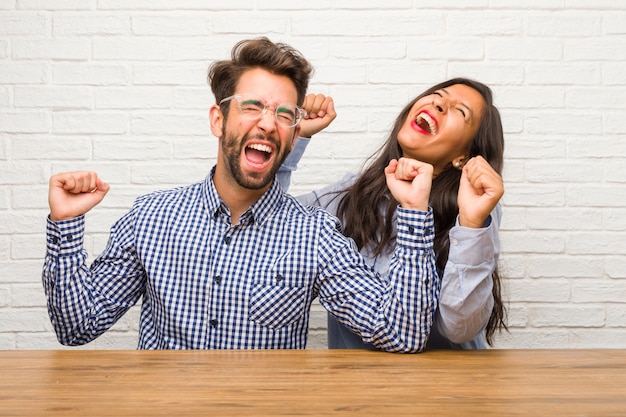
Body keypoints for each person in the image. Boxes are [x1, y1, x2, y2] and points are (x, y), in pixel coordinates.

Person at [41, 37, 440, 352]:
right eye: (253, 107)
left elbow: (400, 333)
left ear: (294, 133)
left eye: (285, 114)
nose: (269, 123)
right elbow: (77, 327)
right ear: (219, 120)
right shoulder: (150, 218)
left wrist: (414, 212)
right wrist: (66, 226)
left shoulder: (316, 235)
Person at [284, 78, 507, 349]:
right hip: (358, 385)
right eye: (437, 95)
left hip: (448, 386)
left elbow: (459, 328)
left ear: (463, 156)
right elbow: (272, 219)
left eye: (460, 111)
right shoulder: (351, 196)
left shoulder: (473, 206)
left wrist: (471, 225)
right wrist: (294, 136)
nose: (438, 103)